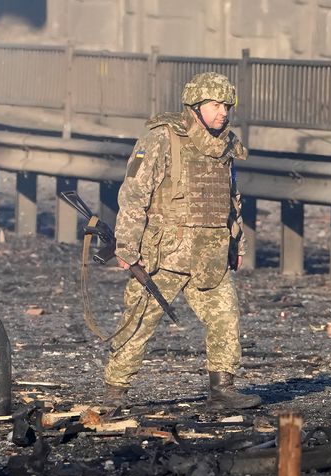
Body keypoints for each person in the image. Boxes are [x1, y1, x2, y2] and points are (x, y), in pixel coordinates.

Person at [102, 72, 261, 410]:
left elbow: (232, 199)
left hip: (211, 254)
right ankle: (115, 391)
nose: (223, 113)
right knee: (139, 322)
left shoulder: (226, 145)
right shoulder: (162, 138)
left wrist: (237, 245)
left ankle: (222, 390)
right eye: (215, 105)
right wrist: (127, 247)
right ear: (195, 105)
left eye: (227, 106)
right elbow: (134, 194)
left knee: (225, 317)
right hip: (164, 254)